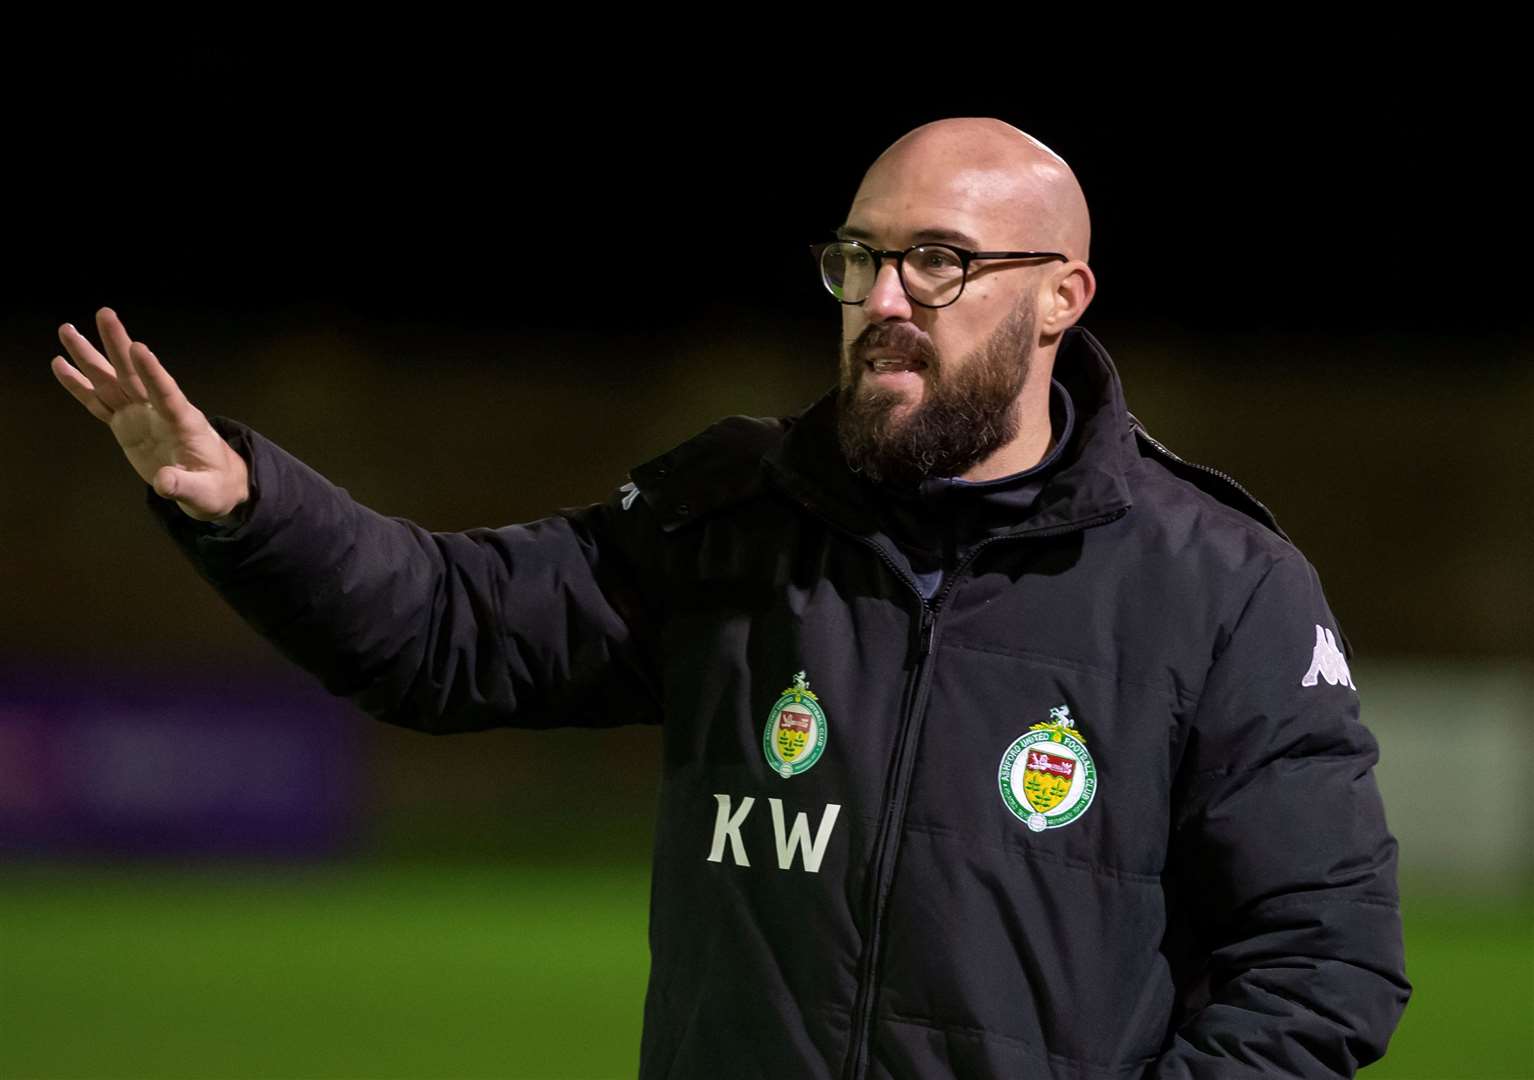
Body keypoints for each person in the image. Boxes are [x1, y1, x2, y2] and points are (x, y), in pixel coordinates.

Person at [51, 118, 1409, 1078]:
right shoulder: (737, 520)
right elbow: (448, 632)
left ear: (1058, 297)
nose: (882, 297)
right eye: (857, 258)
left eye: (935, 260)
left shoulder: (1220, 584)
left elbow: (1320, 962)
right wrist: (242, 501)